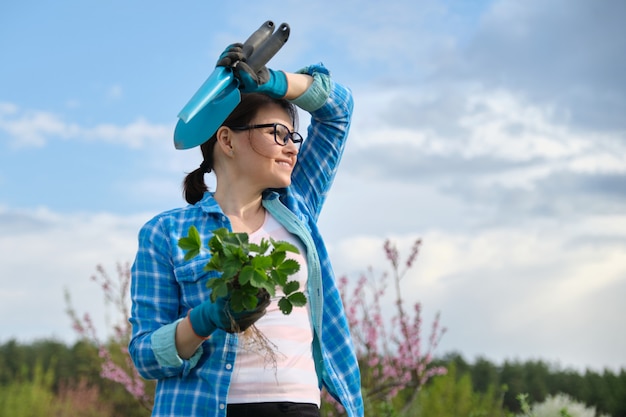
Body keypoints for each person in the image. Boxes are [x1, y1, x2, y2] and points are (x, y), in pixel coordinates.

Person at [129, 42, 364, 417]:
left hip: (299, 405)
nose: (291, 148)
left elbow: (339, 110)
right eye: (277, 133)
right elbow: (145, 356)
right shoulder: (165, 233)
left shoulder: (295, 205)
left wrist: (271, 81)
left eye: (294, 137)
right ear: (226, 140)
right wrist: (205, 319)